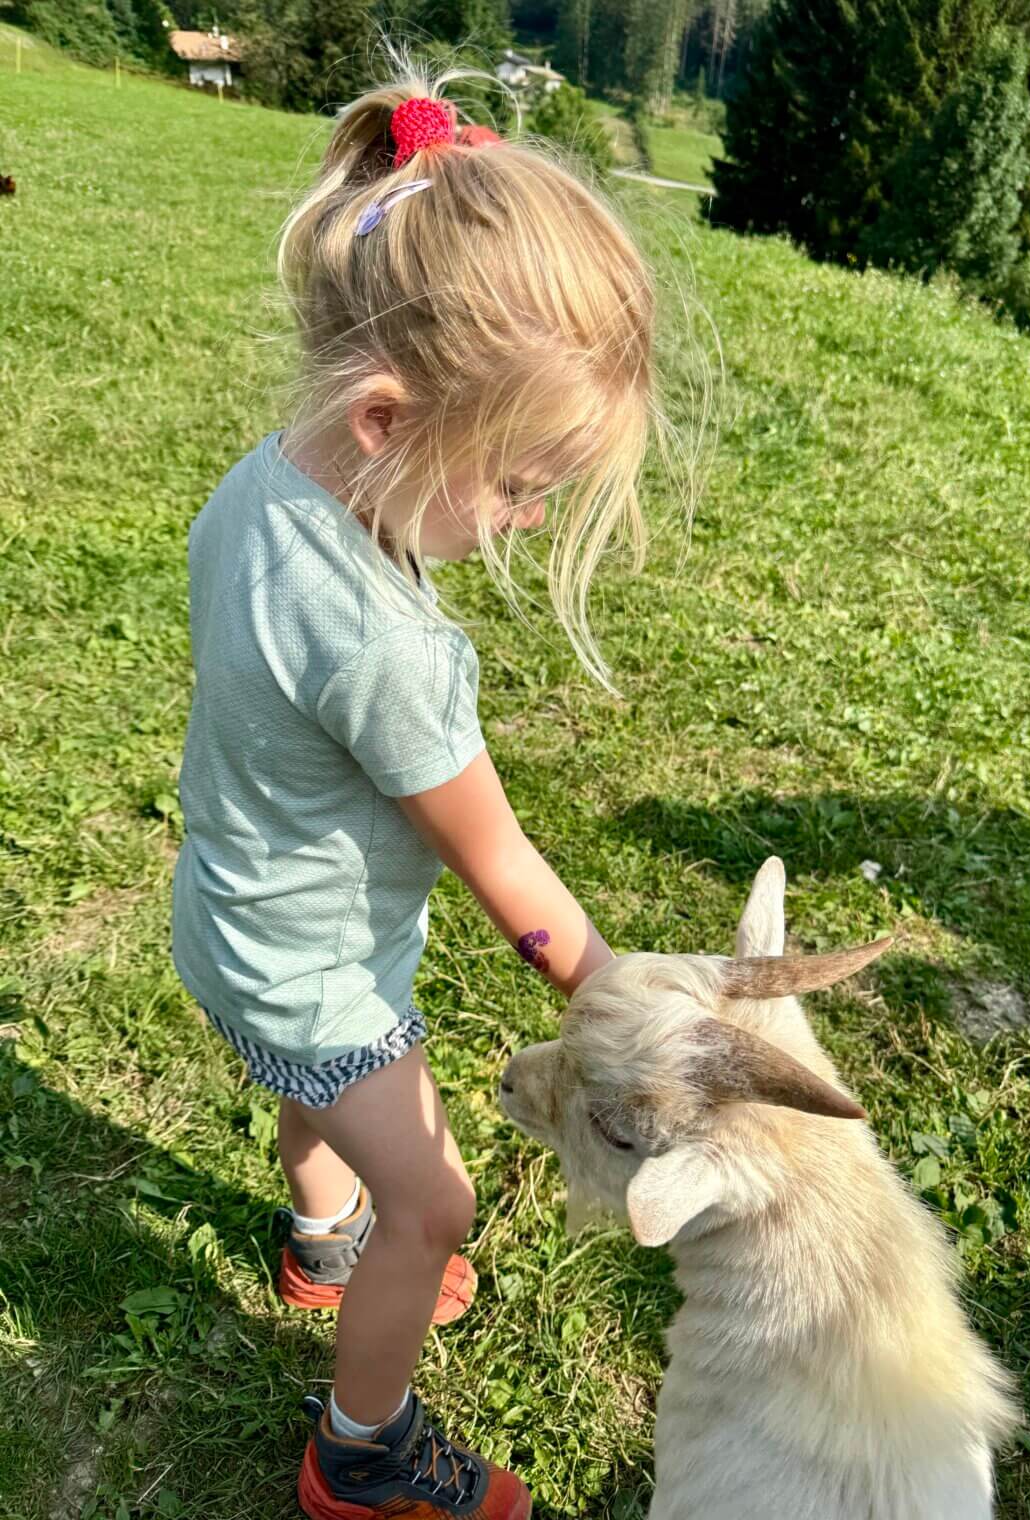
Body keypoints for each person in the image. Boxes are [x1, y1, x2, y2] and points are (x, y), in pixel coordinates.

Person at [172, 65, 667, 1520]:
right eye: (521, 487)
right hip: (312, 968)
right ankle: (363, 1454)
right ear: (390, 422)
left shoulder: (264, 481)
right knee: (436, 1193)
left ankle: (321, 1239)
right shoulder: (389, 647)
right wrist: (623, 1003)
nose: (523, 520)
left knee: (317, 1099)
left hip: (231, 908)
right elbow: (502, 867)